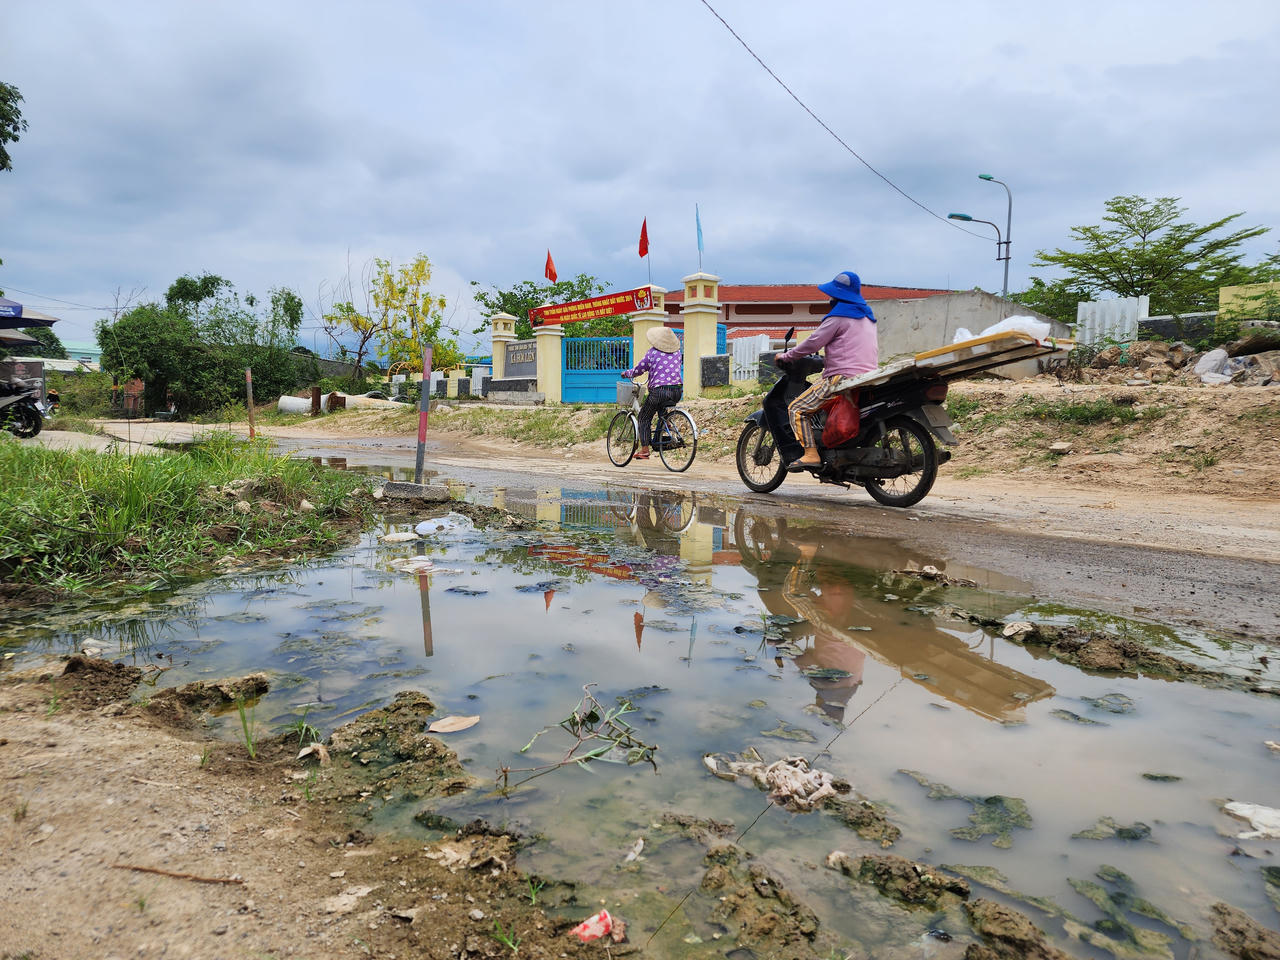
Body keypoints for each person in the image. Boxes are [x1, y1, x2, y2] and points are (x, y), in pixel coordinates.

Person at [775, 270, 879, 471]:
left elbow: (813, 343)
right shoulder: (867, 317)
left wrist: (786, 357)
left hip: (841, 378)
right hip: (868, 376)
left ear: (837, 296)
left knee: (796, 409)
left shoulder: (838, 317)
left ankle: (811, 454)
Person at [621, 326, 683, 460]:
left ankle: (644, 450)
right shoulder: (678, 353)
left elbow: (639, 369)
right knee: (662, 411)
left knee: (644, 417)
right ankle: (665, 429)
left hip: (659, 391)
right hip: (677, 390)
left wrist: (626, 373)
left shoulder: (652, 353)